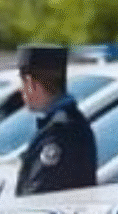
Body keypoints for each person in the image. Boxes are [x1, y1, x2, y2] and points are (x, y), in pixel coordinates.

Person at [15, 44, 96, 195]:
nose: (21, 90)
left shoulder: (59, 132)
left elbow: (37, 194)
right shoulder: (67, 122)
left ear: (31, 83)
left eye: (22, 82)